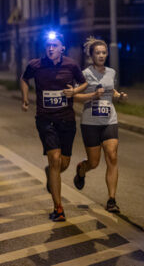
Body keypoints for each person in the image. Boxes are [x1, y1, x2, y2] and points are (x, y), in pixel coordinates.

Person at [20, 31, 88, 221]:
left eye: (55, 45)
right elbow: (24, 79)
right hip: (45, 119)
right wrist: (26, 99)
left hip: (67, 120)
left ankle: (50, 173)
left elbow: (84, 83)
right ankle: (58, 208)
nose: (51, 48)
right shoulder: (36, 65)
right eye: (48, 45)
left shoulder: (71, 65)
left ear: (62, 47)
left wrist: (74, 91)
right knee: (55, 157)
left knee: (63, 163)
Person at [72, 37, 128, 213]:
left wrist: (119, 96)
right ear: (91, 55)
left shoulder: (111, 72)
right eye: (98, 53)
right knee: (94, 162)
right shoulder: (85, 74)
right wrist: (92, 96)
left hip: (109, 120)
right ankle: (82, 169)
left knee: (112, 156)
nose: (102, 55)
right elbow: (74, 96)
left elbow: (112, 91)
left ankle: (112, 199)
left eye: (104, 52)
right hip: (90, 122)